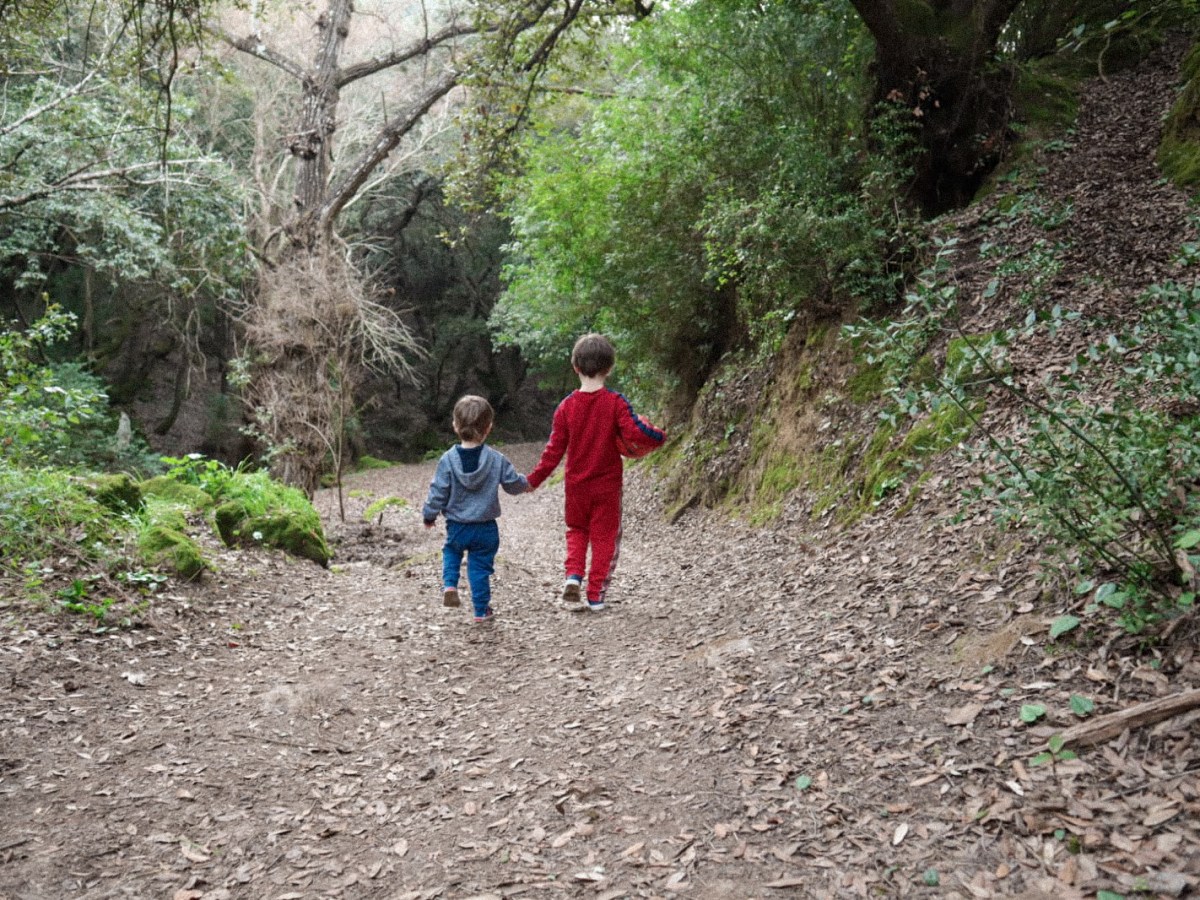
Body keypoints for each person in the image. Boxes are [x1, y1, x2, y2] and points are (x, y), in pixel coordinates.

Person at [526, 333, 665, 611]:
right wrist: (659, 436)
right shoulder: (616, 403)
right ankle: (595, 594)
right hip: (607, 488)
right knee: (605, 537)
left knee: (577, 530)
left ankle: (573, 576)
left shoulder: (565, 407)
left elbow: (554, 451)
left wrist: (534, 480)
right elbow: (636, 431)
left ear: (575, 366)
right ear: (609, 368)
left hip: (576, 487)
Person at [423, 395, 529, 623]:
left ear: (455, 425)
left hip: (457, 525)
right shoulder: (496, 459)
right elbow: (512, 484)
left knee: (451, 551)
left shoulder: (448, 460)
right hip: (486, 528)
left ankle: (450, 585)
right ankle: (481, 610)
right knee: (479, 568)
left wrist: (429, 515)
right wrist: (526, 483)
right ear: (489, 428)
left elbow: (438, 492)